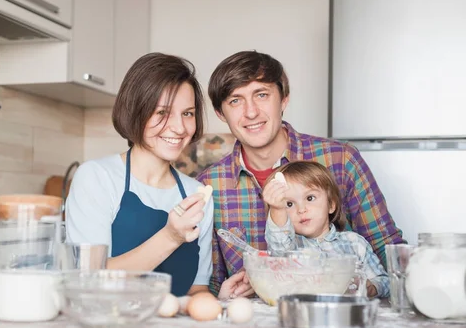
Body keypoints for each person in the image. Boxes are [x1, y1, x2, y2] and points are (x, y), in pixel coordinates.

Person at [196, 50, 405, 296]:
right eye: (235, 101)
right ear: (221, 113)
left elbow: (389, 252)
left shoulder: (341, 160)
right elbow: (209, 285)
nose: (251, 112)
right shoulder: (209, 186)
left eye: (262, 95)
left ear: (283, 99)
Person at [65, 52, 250, 298]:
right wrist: (171, 236)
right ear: (135, 111)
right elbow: (88, 281)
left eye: (187, 113)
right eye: (162, 113)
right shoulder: (96, 178)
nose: (179, 127)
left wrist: (220, 301)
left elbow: (196, 289)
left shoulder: (197, 194)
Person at [263, 161, 390, 298]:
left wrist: (372, 288)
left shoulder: (355, 244)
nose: (301, 209)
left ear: (331, 204)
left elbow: (384, 281)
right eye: (289, 204)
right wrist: (277, 209)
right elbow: (279, 245)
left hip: (345, 315)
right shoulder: (290, 249)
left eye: (310, 198)